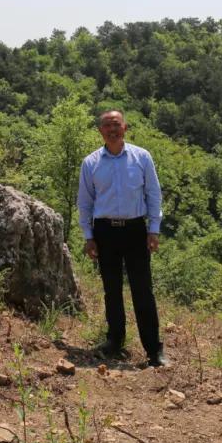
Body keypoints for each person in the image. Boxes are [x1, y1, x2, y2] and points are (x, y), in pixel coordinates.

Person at [77, 109, 167, 367]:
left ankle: (154, 350)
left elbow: (154, 194)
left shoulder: (141, 157)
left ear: (125, 127)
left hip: (136, 229)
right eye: (106, 126)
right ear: (100, 131)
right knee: (111, 290)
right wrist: (88, 236)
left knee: (143, 291)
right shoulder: (91, 163)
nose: (112, 129)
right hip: (105, 230)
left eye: (116, 124)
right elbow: (85, 202)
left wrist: (154, 229)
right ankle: (114, 342)